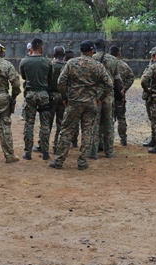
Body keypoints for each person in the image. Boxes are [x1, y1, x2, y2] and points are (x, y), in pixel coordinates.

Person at [49, 40, 112, 170]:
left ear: (80, 50)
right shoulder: (98, 66)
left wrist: (65, 97)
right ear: (92, 51)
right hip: (90, 102)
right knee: (87, 131)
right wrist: (99, 98)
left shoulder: (71, 63)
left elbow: (61, 82)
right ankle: (83, 161)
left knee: (67, 130)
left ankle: (59, 160)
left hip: (74, 102)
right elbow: (109, 84)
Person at [19, 37, 53, 161]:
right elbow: (50, 77)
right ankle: (45, 152)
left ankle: (28, 152)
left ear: (31, 47)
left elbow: (24, 76)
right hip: (43, 94)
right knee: (45, 124)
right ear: (41, 47)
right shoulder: (48, 62)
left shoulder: (24, 61)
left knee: (29, 123)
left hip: (30, 94)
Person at [90, 38, 120, 159]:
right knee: (108, 124)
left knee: (94, 123)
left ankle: (93, 152)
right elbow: (117, 80)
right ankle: (109, 151)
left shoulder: (91, 59)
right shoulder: (113, 60)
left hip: (94, 96)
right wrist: (119, 94)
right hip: (108, 95)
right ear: (105, 46)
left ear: (94, 47)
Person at [110, 45, 135, 146]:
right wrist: (124, 89)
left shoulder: (107, 64)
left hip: (108, 95)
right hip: (120, 95)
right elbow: (131, 77)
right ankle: (123, 139)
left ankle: (108, 140)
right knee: (121, 118)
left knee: (109, 118)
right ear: (119, 53)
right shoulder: (124, 65)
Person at [48, 46, 67, 153]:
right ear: (64, 55)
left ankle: (43, 145)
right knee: (60, 122)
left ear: (54, 55)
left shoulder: (50, 65)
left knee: (48, 122)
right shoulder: (67, 66)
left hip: (52, 96)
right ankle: (57, 145)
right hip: (63, 97)